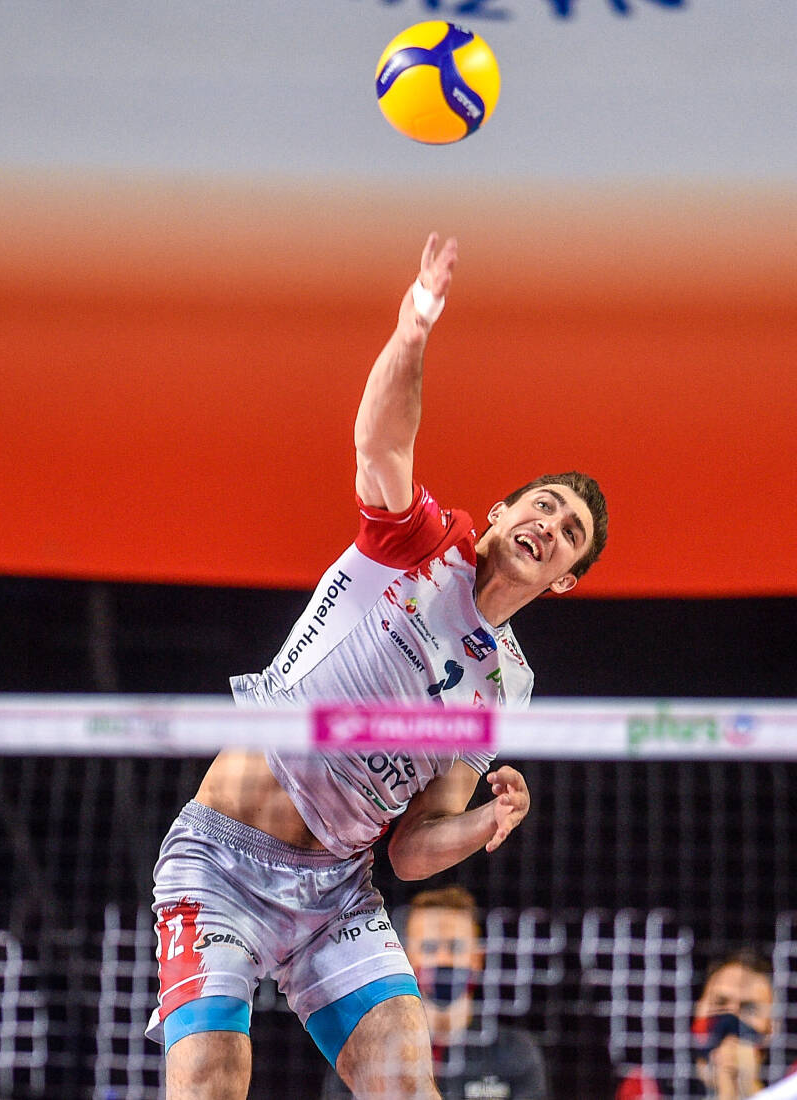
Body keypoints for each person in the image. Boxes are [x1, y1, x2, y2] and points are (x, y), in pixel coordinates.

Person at [145, 232, 608, 1100]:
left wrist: (488, 822)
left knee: (406, 1085)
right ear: (502, 513)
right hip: (222, 861)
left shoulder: (506, 689)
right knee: (210, 1077)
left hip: (337, 892)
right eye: (542, 506)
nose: (549, 524)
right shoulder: (422, 543)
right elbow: (380, 443)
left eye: (568, 533)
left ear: (564, 579)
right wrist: (414, 328)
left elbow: (413, 848)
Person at [321, 885, 550, 1099]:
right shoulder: (366, 1055)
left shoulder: (514, 1052)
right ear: (406, 957)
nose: (443, 959)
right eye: (429, 947)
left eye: (455, 947)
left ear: (477, 957)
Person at [691, 949, 776, 1099]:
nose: (732, 1016)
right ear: (698, 1009)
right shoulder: (652, 1082)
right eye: (720, 1003)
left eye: (749, 1008)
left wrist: (748, 1088)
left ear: (772, 1028)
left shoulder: (791, 1084)